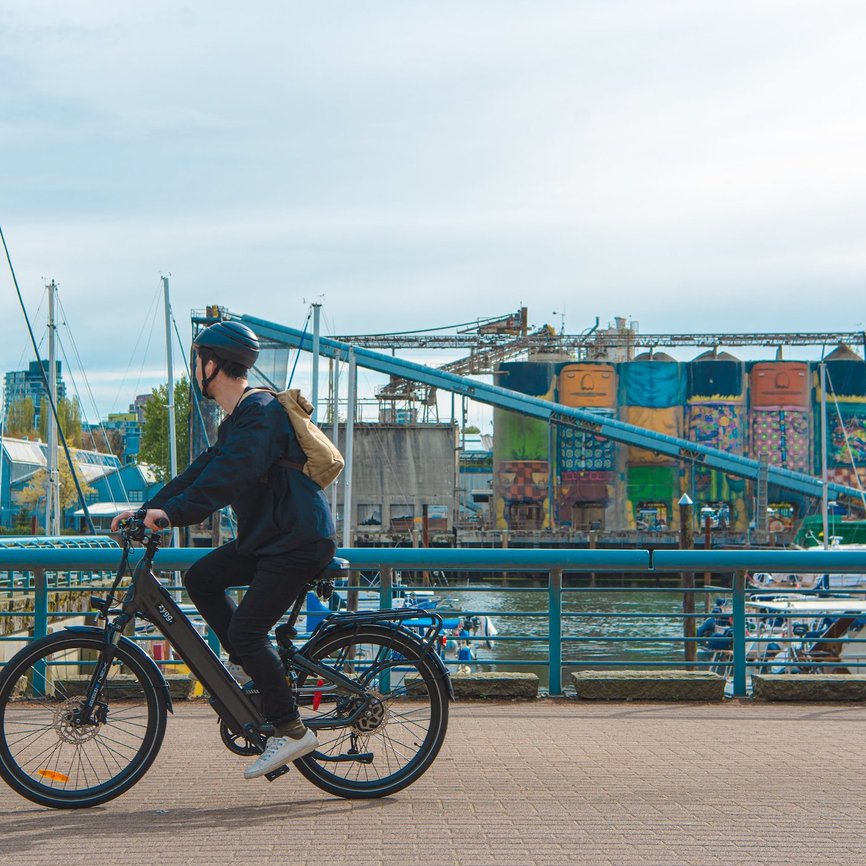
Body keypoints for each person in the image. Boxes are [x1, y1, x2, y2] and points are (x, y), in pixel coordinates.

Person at [112, 320, 336, 780]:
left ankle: (292, 731)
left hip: (296, 542)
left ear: (211, 364)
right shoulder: (238, 421)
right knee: (202, 578)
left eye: (198, 361)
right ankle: (254, 673)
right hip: (269, 540)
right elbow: (201, 472)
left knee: (251, 631)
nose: (196, 369)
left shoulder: (262, 414)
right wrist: (147, 509)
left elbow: (227, 477)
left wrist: (173, 516)